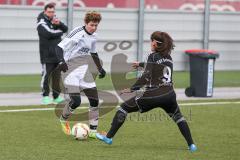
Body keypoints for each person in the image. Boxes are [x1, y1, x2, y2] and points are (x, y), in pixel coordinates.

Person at [96, 31, 197, 152]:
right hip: (169, 94)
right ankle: (191, 145)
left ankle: (108, 137)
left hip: (154, 94)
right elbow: (158, 67)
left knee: (123, 108)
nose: (150, 43)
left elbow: (146, 76)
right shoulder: (169, 58)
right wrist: (141, 64)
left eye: (151, 40)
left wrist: (132, 88)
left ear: (155, 43)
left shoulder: (152, 56)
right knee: (179, 118)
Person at [56, 11, 106, 138]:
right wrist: (61, 61)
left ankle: (93, 132)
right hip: (70, 70)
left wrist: (100, 69)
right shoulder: (77, 33)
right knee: (76, 101)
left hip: (84, 69)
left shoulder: (94, 36)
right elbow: (59, 48)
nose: (94, 28)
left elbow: (94, 54)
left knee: (94, 100)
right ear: (86, 23)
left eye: (96, 25)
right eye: (91, 25)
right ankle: (63, 118)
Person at [37, 3, 68, 105]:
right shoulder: (41, 22)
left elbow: (65, 29)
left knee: (56, 76)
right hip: (46, 54)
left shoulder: (54, 20)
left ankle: (56, 96)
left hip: (57, 54)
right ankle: (45, 96)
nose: (51, 14)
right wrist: (59, 33)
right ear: (45, 11)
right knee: (46, 75)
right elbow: (48, 34)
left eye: (53, 12)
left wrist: (59, 24)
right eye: (49, 12)